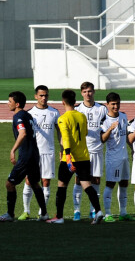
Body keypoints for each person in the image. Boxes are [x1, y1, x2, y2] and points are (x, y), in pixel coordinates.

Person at [46, 90, 103, 224]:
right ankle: (99, 211)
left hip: (70, 158)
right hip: (84, 156)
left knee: (61, 185)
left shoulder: (63, 118)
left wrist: (67, 157)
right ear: (75, 101)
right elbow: (85, 133)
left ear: (63, 102)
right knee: (87, 185)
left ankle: (59, 217)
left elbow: (65, 138)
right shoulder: (82, 116)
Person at [1, 91, 49, 222]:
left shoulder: (19, 116)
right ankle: (44, 213)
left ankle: (10, 215)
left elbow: (22, 133)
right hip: (34, 154)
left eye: (10, 101)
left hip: (26, 156)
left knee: (9, 184)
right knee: (34, 183)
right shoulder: (28, 115)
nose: (7, 104)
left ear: (17, 104)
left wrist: (13, 150)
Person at [19, 85, 60, 220]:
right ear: (36, 96)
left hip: (48, 152)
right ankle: (26, 211)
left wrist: (62, 149)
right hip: (33, 153)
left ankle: (42, 212)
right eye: (41, 95)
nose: (44, 98)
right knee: (29, 181)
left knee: (46, 182)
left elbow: (60, 133)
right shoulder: (29, 113)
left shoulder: (54, 112)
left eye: (46, 95)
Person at [73, 81, 107, 221]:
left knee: (96, 180)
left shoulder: (102, 109)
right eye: (85, 91)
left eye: (90, 91)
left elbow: (105, 128)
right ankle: (77, 211)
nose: (88, 94)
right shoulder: (77, 110)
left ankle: (93, 210)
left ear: (94, 92)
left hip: (97, 149)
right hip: (82, 151)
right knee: (78, 180)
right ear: (81, 93)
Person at [100, 92, 131, 222]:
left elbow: (127, 135)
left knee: (124, 183)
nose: (115, 106)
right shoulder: (105, 120)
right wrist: (110, 129)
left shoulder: (124, 116)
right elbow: (102, 139)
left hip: (124, 157)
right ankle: (107, 214)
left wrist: (133, 149)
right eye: (113, 104)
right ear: (107, 105)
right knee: (110, 184)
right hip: (113, 158)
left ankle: (123, 212)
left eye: (117, 103)